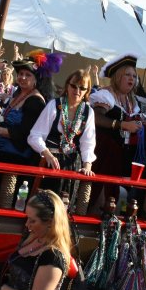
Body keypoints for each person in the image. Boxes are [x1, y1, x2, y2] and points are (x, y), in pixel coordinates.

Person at [88, 54, 146, 211]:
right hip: (102, 152)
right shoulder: (106, 95)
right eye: (127, 74)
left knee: (114, 197)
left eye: (134, 76)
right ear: (118, 76)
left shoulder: (131, 100)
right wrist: (122, 124)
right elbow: (95, 117)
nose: (132, 78)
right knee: (97, 194)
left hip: (120, 155)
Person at [28, 69, 96, 200]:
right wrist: (47, 153)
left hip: (71, 164)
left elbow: (88, 142)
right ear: (67, 86)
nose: (77, 91)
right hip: (48, 161)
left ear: (87, 91)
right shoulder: (54, 105)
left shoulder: (89, 112)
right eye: (74, 86)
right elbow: (34, 136)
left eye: (82, 88)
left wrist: (87, 165)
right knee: (43, 202)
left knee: (64, 201)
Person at [0, 56, 47, 170]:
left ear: (36, 79)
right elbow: (9, 121)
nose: (23, 77)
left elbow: (25, 133)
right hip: (0, 151)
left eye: (28, 75)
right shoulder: (18, 94)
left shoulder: (36, 101)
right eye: (20, 74)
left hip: (15, 158)